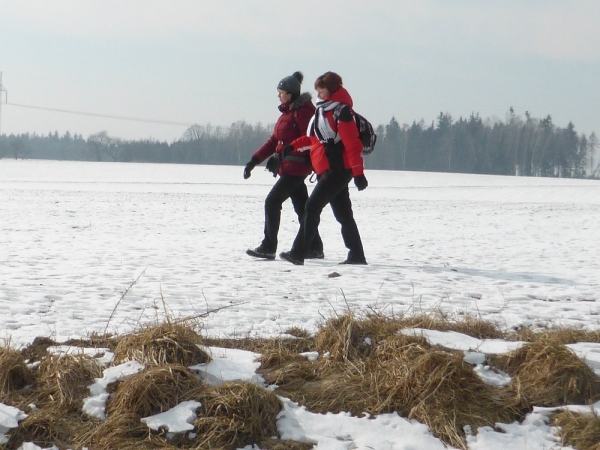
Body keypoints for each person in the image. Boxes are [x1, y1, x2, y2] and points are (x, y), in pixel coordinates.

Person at [279, 71, 368, 266]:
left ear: (332, 90)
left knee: (311, 207)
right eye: (318, 90)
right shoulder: (323, 111)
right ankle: (357, 255)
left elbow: (353, 146)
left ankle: (298, 252)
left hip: (337, 171)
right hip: (328, 169)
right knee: (343, 214)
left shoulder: (342, 112)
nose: (318, 94)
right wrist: (293, 146)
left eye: (321, 90)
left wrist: (358, 173)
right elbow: (314, 139)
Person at [243, 71, 324, 260]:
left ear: (291, 93)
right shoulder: (286, 114)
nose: (278, 95)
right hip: (288, 168)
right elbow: (274, 141)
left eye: (281, 92)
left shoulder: (304, 112)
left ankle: (268, 246)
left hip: (297, 168)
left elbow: (310, 140)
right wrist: (254, 160)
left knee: (272, 202)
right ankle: (315, 246)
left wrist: (285, 154)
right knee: (303, 208)